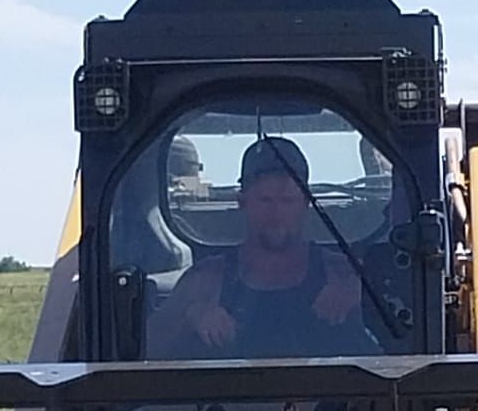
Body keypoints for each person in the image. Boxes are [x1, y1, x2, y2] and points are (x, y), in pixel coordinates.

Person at [148, 137, 368, 358]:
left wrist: (360, 301)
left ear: (305, 203)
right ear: (242, 202)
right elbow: (146, 351)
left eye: (287, 201)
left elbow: (387, 350)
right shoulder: (205, 281)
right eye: (265, 200)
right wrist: (190, 316)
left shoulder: (343, 275)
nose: (276, 213)